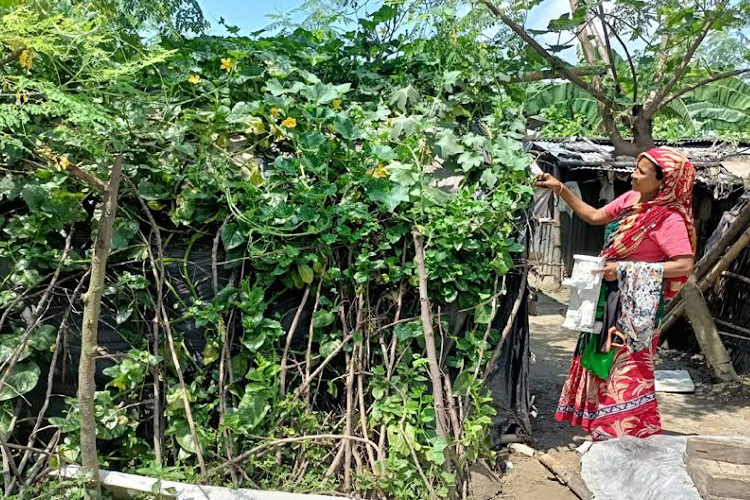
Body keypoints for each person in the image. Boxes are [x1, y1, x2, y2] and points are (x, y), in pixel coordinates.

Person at [535, 146, 696, 441]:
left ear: (664, 182)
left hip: (636, 306)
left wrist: (623, 269)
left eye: (641, 172)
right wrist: (560, 189)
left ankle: (625, 433)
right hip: (608, 295)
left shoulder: (668, 219)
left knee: (628, 365)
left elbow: (683, 264)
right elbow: (595, 215)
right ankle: (605, 429)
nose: (633, 176)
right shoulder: (631, 200)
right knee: (602, 356)